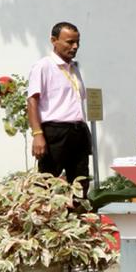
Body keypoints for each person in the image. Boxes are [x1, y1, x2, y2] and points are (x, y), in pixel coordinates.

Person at [26, 21, 92, 195]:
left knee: (80, 185)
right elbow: (32, 101)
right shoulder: (43, 66)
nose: (75, 46)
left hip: (78, 131)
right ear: (54, 40)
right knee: (47, 184)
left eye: (77, 42)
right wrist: (37, 134)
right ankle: (45, 220)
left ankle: (79, 218)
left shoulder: (74, 69)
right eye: (69, 42)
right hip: (55, 133)